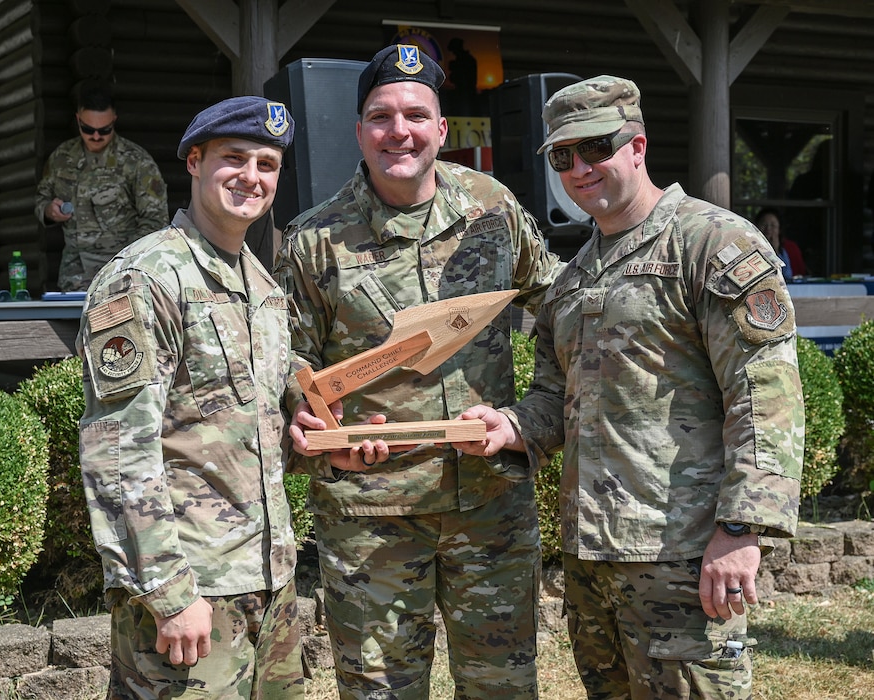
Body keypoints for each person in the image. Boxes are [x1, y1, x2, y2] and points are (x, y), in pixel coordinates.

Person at [454, 75, 804, 699]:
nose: (581, 167)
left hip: (683, 555)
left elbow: (765, 398)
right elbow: (552, 401)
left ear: (638, 146)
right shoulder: (573, 277)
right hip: (593, 560)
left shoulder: (711, 244)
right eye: (564, 156)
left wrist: (741, 529)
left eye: (597, 147)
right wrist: (510, 426)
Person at [273, 44, 563, 700]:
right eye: (379, 116)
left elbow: (562, 310)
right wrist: (315, 418)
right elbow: (285, 360)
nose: (396, 130)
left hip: (488, 507)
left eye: (413, 114)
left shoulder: (492, 209)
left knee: (502, 689)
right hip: (372, 516)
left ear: (440, 128)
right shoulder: (315, 240)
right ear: (358, 132)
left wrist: (532, 419)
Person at [77, 96, 304, 699]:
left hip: (270, 581)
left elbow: (249, 420)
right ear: (195, 162)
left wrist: (308, 415)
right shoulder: (147, 278)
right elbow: (119, 452)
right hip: (193, 589)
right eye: (235, 158)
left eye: (267, 164)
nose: (252, 177)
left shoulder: (261, 285)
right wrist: (170, 594)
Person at [35, 80, 168, 291]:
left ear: (114, 120)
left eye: (104, 130)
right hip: (74, 276)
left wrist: (127, 263)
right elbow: (41, 198)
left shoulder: (136, 162)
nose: (96, 136)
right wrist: (49, 210)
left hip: (122, 276)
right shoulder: (61, 158)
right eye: (88, 129)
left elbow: (155, 221)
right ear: (78, 120)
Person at [755, 207, 806, 279]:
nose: (768, 229)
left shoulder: (785, 250)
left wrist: (776, 250)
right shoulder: (751, 246)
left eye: (773, 225)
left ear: (779, 229)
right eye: (764, 224)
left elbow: (787, 276)